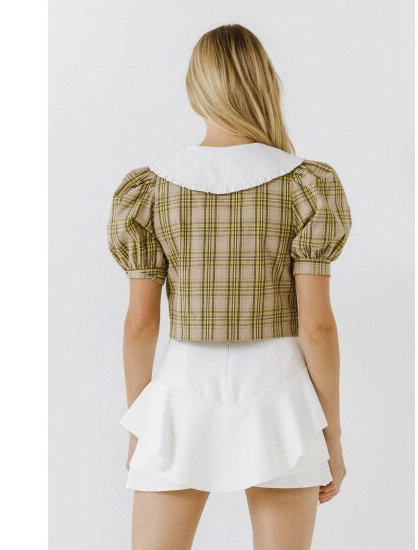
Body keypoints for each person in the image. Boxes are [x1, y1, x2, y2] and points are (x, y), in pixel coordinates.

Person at [108, 23, 353, 550]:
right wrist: (331, 432)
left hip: (182, 388)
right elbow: (316, 326)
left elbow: (140, 324)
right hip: (280, 392)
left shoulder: (152, 188)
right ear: (265, 82)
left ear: (196, 88)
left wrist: (140, 427)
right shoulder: (305, 184)